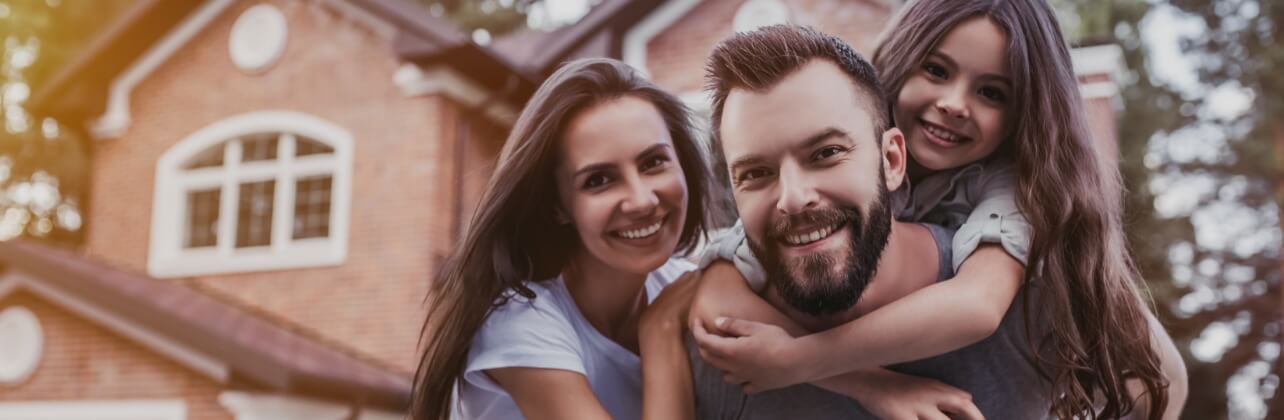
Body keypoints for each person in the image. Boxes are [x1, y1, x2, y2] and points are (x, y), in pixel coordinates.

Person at [690, 19, 1184, 419]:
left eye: (992, 92)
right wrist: (870, 385)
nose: (953, 104)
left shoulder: (1012, 191)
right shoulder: (812, 179)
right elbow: (712, 295)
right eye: (936, 70)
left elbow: (978, 305)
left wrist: (798, 360)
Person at [410, 58, 713, 420]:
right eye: (598, 180)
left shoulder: (684, 282)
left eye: (653, 163)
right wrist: (660, 333)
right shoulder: (518, 320)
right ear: (557, 206)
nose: (642, 200)